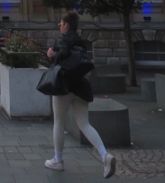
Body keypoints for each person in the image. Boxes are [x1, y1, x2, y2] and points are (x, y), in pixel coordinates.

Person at [45, 11, 116, 178]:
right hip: (81, 87)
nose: (59, 26)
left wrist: (51, 55)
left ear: (66, 25)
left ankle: (58, 160)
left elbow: (62, 57)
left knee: (59, 123)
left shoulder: (64, 39)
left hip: (64, 87)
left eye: (60, 24)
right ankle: (105, 155)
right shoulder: (81, 41)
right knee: (84, 124)